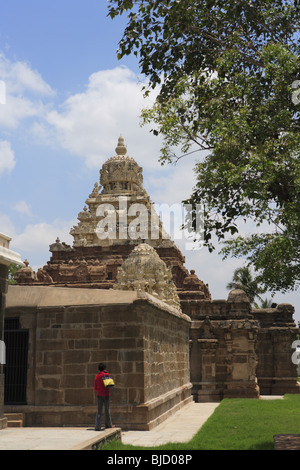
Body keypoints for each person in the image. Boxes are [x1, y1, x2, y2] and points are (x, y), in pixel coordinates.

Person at [94, 363, 114, 431]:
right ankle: (108, 425)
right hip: (106, 394)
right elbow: (110, 384)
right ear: (104, 368)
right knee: (107, 410)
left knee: (99, 411)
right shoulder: (106, 375)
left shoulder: (96, 376)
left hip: (99, 395)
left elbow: (95, 388)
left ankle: (97, 426)